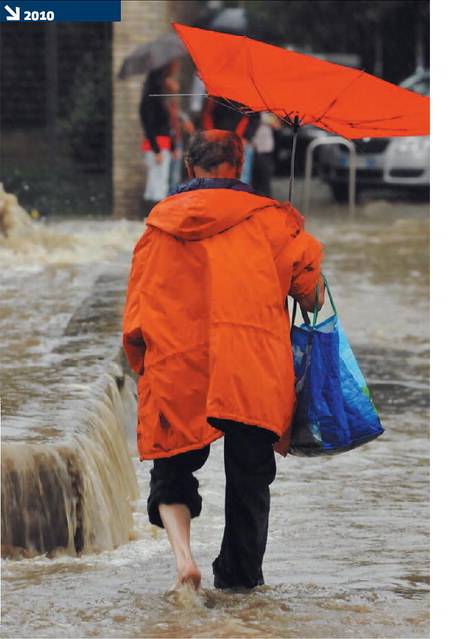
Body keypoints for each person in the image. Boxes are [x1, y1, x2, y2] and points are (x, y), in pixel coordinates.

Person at [122, 130, 324, 591]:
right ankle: (240, 587)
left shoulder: (157, 226)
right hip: (252, 367)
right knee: (250, 482)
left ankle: (184, 562)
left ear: (190, 168)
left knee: (172, 466)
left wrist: (142, 364)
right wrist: (297, 240)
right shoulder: (275, 222)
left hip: (179, 363)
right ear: (242, 164)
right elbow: (311, 298)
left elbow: (136, 311)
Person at [139, 61, 181, 211]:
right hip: (157, 146)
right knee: (157, 182)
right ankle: (153, 213)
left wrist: (172, 146)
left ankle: (152, 213)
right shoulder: (151, 100)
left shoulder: (160, 99)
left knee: (159, 181)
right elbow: (149, 126)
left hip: (162, 145)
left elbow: (168, 126)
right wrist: (156, 150)